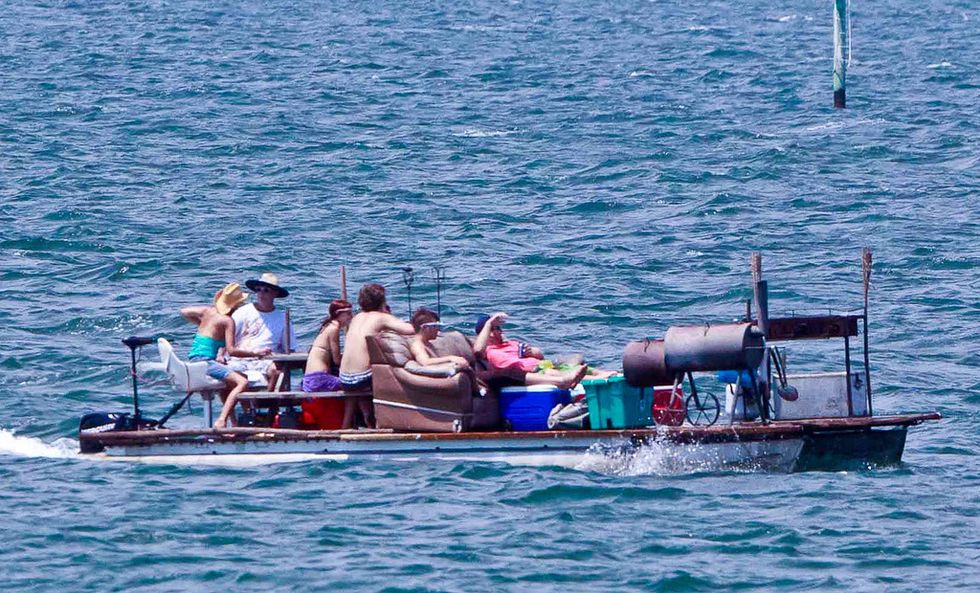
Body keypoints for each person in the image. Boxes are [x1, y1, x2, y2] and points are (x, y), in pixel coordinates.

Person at [180, 283, 272, 428]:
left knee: (236, 378)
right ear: (235, 306)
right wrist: (255, 353)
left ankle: (237, 421)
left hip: (195, 360)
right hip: (206, 362)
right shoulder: (227, 321)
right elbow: (232, 351)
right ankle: (222, 420)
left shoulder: (207, 312)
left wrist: (202, 324)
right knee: (242, 382)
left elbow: (184, 311)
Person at [338, 283, 415, 428]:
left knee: (360, 384)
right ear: (382, 301)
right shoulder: (381, 317)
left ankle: (352, 422)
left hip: (344, 378)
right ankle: (387, 419)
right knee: (392, 372)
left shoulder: (356, 318)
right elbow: (411, 329)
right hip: (362, 379)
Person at [472, 312, 587, 389]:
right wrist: (488, 324)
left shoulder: (510, 343)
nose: (500, 331)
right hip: (533, 372)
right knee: (556, 373)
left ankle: (597, 377)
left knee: (585, 368)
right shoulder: (487, 349)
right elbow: (478, 351)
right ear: (487, 332)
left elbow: (540, 355)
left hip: (544, 364)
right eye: (495, 328)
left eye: (499, 328)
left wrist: (532, 352)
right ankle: (569, 381)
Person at [225, 272, 297, 390]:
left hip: (265, 360)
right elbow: (226, 338)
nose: (261, 293)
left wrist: (276, 357)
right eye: (258, 290)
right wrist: (220, 354)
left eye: (266, 290)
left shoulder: (282, 319)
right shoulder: (242, 312)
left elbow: (289, 349)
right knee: (227, 375)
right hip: (239, 358)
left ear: (275, 293)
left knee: (276, 372)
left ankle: (269, 399)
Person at [303, 299, 353, 392]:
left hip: (311, 379)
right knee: (355, 385)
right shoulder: (333, 329)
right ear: (338, 314)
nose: (351, 316)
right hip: (319, 379)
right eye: (348, 313)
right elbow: (337, 360)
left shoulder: (328, 326)